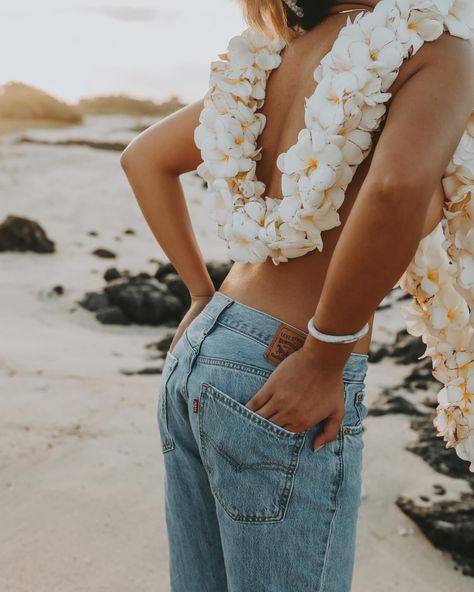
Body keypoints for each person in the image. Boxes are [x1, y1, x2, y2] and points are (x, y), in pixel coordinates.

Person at [120, 1, 474, 590]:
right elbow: (393, 191)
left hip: (208, 347)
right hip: (286, 366)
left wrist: (199, 294)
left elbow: (144, 159)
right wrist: (325, 354)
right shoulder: (435, 48)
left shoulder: (276, 55)